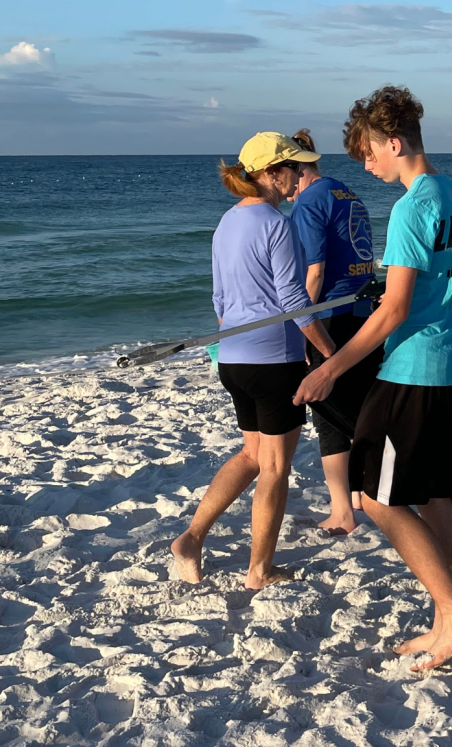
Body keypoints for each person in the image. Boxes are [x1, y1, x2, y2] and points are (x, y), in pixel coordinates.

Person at [294, 85, 452, 670]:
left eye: (367, 152)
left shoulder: (411, 207)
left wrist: (331, 366)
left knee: (373, 498)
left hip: (412, 371)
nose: (365, 164)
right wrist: (424, 284)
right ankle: (445, 619)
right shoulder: (451, 193)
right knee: (433, 496)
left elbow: (396, 311)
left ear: (394, 142)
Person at [171, 132, 337, 590]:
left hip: (234, 359)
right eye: (293, 168)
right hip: (274, 361)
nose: (299, 176)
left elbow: (220, 299)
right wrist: (329, 355)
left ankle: (191, 538)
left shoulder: (226, 222)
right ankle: (260, 570)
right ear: (270, 174)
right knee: (275, 468)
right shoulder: (274, 224)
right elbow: (293, 300)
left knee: (251, 454)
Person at [287, 128, 383, 536]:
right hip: (365, 311)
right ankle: (362, 496)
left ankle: (342, 511)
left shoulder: (308, 202)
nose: (286, 190)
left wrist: (300, 324)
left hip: (333, 314)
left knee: (328, 413)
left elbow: (314, 273)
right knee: (359, 406)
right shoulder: (346, 192)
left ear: (295, 168)